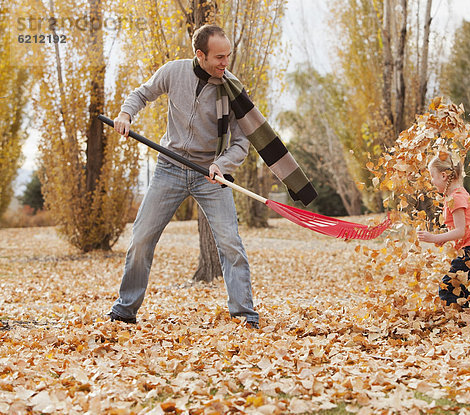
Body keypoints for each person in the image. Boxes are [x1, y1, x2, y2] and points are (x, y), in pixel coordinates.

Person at [108, 25, 316, 328]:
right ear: (200, 55)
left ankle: (245, 315)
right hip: (170, 169)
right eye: (219, 57)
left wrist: (222, 165)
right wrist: (126, 114)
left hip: (211, 176)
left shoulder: (231, 89)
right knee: (141, 239)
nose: (225, 63)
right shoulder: (173, 72)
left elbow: (242, 141)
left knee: (231, 243)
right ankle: (125, 310)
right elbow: (142, 94)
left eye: (228, 56)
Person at [416, 155, 470, 309]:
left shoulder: (456, 198)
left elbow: (460, 231)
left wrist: (434, 237)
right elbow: (461, 227)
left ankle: (462, 324)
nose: (431, 181)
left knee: (447, 289)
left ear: (444, 175)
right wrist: (445, 238)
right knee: (460, 292)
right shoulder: (457, 194)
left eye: (432, 176)